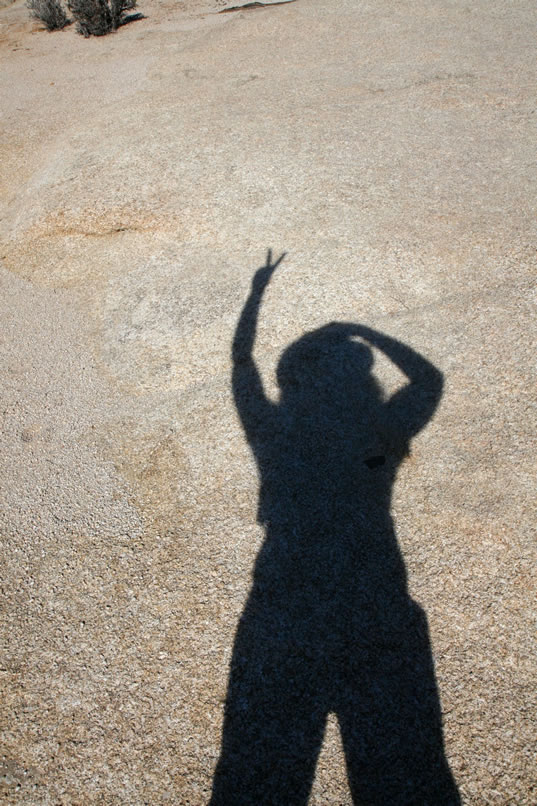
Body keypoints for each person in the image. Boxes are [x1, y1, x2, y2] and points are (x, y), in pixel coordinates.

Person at [210, 251, 460, 805]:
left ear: (294, 380)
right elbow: (430, 378)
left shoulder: (274, 432)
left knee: (261, 771)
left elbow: (241, 363)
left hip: (283, 600)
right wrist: (361, 327)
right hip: (376, 598)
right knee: (403, 772)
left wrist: (255, 296)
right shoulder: (382, 431)